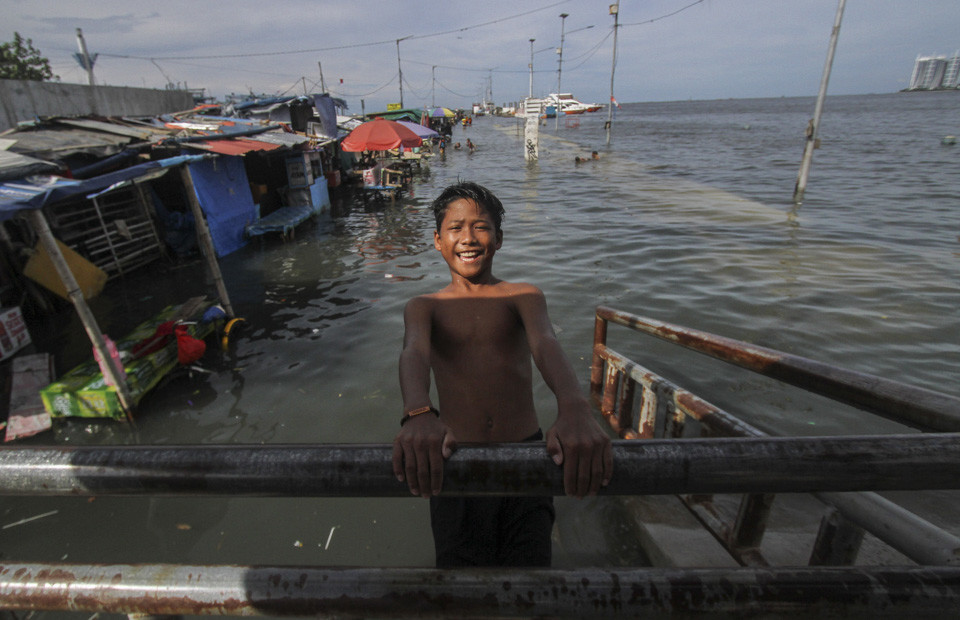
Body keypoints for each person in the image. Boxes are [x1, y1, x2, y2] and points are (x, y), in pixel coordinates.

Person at [392, 181, 613, 568]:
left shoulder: (522, 296)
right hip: (456, 461)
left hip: (525, 457)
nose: (468, 238)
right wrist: (419, 412)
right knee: (461, 580)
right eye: (455, 228)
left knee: (530, 573)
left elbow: (545, 344)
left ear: (498, 239)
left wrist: (574, 407)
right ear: (438, 241)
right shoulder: (425, 306)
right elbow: (414, 352)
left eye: (481, 226)